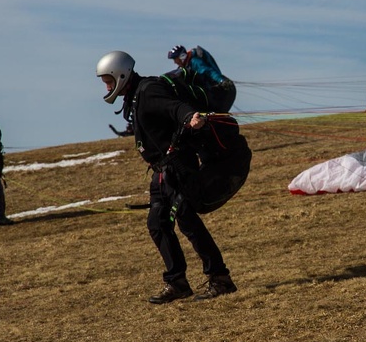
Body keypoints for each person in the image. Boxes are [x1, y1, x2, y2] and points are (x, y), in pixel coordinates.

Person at [96, 50, 251, 304]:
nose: (106, 85)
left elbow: (175, 107)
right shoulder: (135, 95)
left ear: (121, 75)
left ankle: (220, 278)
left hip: (178, 167)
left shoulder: (148, 90)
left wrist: (190, 117)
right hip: (161, 171)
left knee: (187, 220)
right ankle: (177, 282)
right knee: (158, 224)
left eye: (108, 80)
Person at [168, 44, 236, 113]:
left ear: (182, 56)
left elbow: (209, 72)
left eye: (175, 59)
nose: (175, 62)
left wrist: (221, 80)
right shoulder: (185, 67)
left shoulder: (195, 62)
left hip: (221, 91)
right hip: (211, 91)